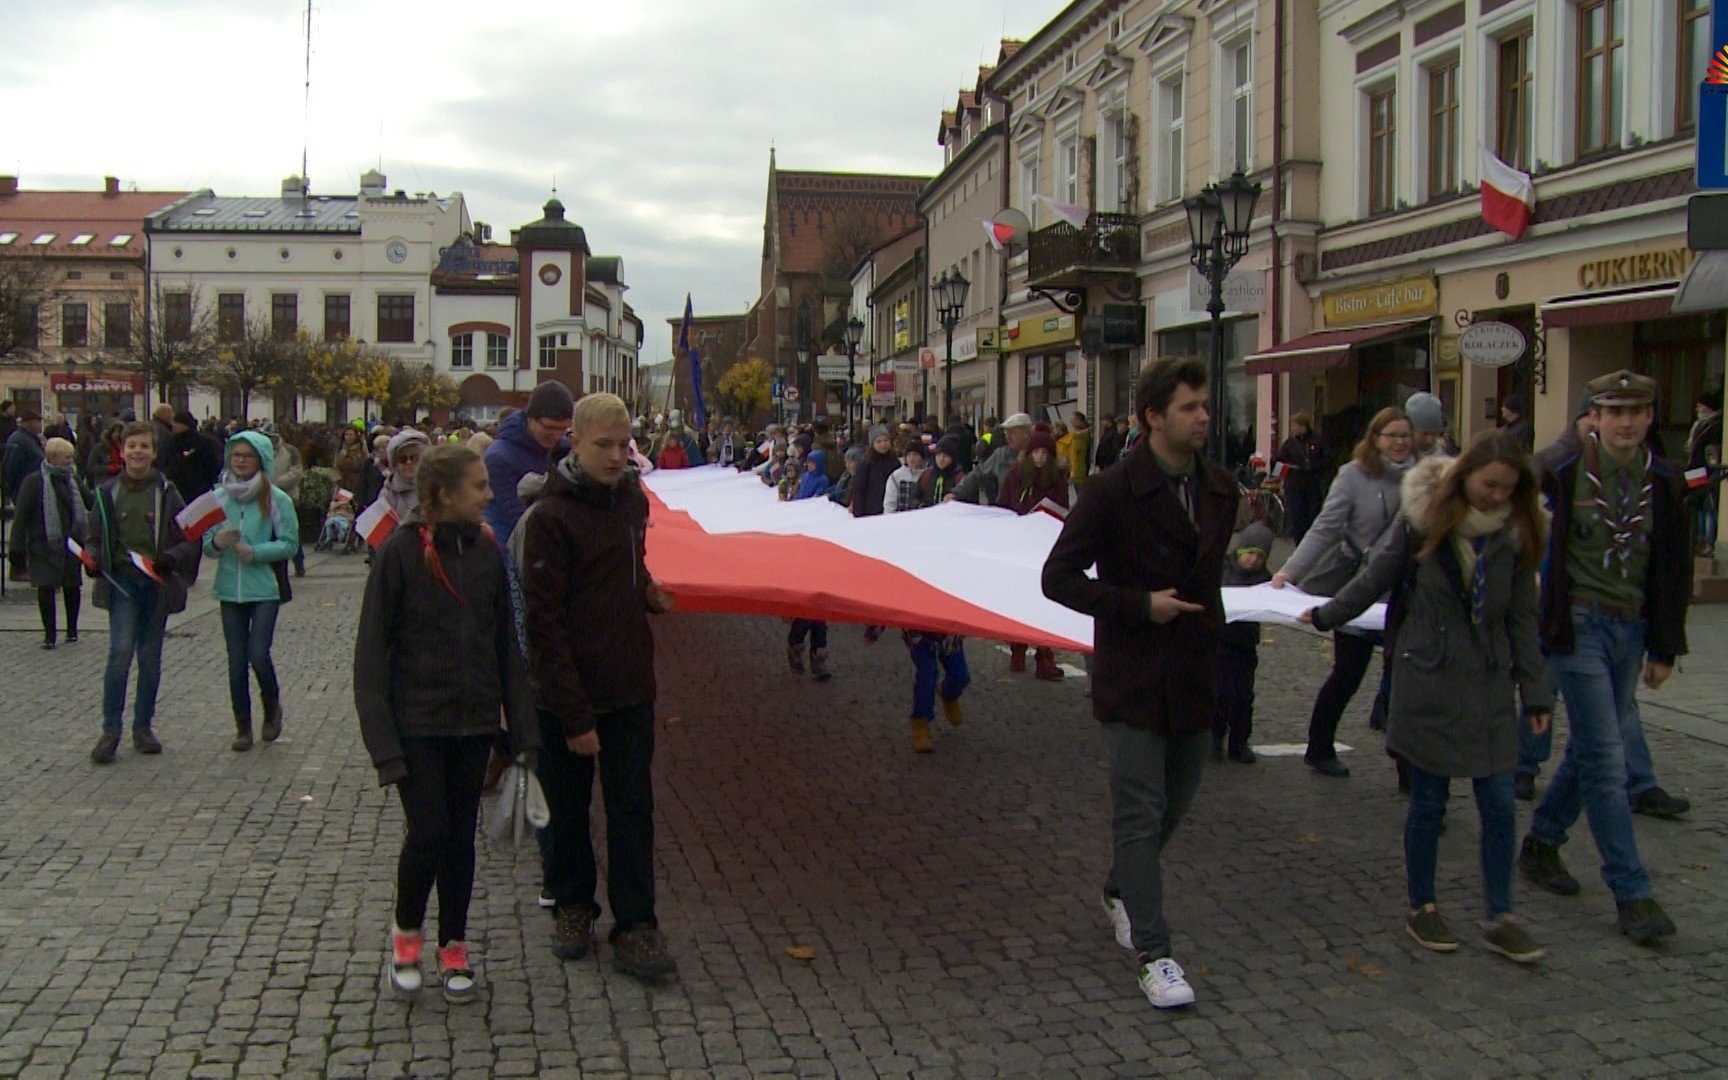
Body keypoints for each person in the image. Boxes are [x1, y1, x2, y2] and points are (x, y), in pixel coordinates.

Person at [1304, 432, 1552, 962]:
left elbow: (1522, 619)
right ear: (1465, 477)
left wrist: (1536, 694)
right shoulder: (1421, 520)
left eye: (1507, 489)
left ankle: (1500, 913)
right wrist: (1326, 614)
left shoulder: (1515, 533)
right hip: (1428, 680)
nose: (1495, 497)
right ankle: (1423, 905)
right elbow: (1375, 577)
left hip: (1487, 685)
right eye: (1489, 485)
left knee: (1500, 804)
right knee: (1429, 801)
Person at [1042, 357, 1239, 1010]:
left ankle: (1121, 888)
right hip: (1132, 674)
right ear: (1154, 417)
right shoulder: (1111, 491)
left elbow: (1207, 578)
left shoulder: (1220, 488)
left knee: (1175, 804)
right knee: (1140, 809)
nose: (1203, 416)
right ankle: (1157, 956)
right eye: (1189, 407)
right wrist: (1136, 604)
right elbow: (1059, 578)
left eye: (1205, 404)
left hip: (1193, 672)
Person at [356, 442, 537, 1003]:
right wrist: (384, 746)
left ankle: (453, 944)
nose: (488, 495)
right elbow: (371, 658)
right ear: (443, 494)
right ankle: (407, 938)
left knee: (460, 839)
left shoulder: (488, 553)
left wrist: (523, 736)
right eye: (479, 486)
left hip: (473, 723)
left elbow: (509, 649)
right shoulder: (400, 554)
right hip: (417, 725)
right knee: (429, 830)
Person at [1519, 370, 1693, 949]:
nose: (1624, 423)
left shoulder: (1663, 480)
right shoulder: (1562, 473)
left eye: (1636, 412)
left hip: (1632, 628)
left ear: (1648, 419)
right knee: (1607, 760)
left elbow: (1673, 566)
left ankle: (1542, 841)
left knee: (1596, 746)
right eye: (1613, 412)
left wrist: (1665, 646)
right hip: (1579, 627)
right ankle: (1632, 891)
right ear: (1593, 416)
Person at [521, 392, 679, 980]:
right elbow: (545, 622)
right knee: (567, 811)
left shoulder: (631, 502)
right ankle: (572, 907)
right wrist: (575, 715)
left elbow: (623, 575)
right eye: (603, 445)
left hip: (630, 685)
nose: (616, 457)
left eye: (623, 444)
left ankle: (636, 924)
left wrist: (647, 595)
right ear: (576, 442)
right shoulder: (551, 517)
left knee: (632, 810)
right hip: (567, 696)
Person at [1272, 407, 1416, 777]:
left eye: (1405, 435)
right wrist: (1290, 570)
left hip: (1406, 592)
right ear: (1375, 439)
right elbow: (1326, 527)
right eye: (1391, 436)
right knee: (1348, 674)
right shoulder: (1352, 476)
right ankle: (1319, 746)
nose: (1399, 443)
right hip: (1358, 587)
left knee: (1405, 678)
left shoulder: (1425, 475)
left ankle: (1410, 768)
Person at [84, 421, 202, 764]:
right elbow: (93, 534)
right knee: (120, 653)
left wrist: (171, 558)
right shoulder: (107, 492)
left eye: (144, 446)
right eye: (131, 445)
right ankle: (110, 730)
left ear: (154, 452)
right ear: (122, 450)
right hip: (121, 582)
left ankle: (142, 727)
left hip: (156, 582)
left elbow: (187, 536)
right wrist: (93, 559)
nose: (137, 452)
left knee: (150, 657)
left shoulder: (167, 491)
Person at [205, 431, 300, 752]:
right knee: (235, 661)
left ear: (260, 460)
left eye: (247, 455)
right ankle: (242, 726)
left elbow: (290, 543)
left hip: (264, 589)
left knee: (258, 653)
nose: (241, 460)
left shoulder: (277, 499)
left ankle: (272, 708)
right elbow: (206, 543)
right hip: (229, 589)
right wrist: (217, 543)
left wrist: (256, 552)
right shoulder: (218, 498)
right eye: (236, 455)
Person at [1002, 426, 1072, 681]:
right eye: (1036, 452)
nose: (1040, 457)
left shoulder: (1057, 479)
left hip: (1044, 546)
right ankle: (1017, 648)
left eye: (1044, 452)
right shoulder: (1015, 476)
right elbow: (1003, 505)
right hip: (1019, 544)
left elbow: (1062, 511)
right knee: (1019, 598)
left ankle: (1044, 657)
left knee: (1044, 600)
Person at [10, 437, 89, 648]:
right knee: (46, 588)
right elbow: (21, 517)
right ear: (53, 458)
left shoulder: (73, 477)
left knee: (72, 586)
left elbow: (89, 500)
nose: (71, 461)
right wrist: (16, 550)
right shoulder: (34, 481)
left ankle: (72, 630)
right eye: (67, 457)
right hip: (42, 544)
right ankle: (49, 635)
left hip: (71, 542)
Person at [483, 380, 574, 545]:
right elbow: (517, 520)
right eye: (550, 427)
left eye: (563, 429)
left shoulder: (564, 450)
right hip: (511, 547)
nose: (556, 435)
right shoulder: (499, 458)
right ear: (530, 419)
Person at [1215, 522, 1273, 764]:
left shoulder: (1265, 580)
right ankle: (1214, 739)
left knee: (1243, 697)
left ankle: (1240, 742)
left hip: (1246, 646)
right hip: (1220, 644)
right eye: (1249, 553)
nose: (1253, 560)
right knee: (1220, 694)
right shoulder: (1221, 570)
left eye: (1260, 556)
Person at [786, 449, 835, 682]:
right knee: (806, 614)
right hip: (803, 544)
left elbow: (818, 502)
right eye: (809, 463)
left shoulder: (823, 481)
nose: (811, 466)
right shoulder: (804, 478)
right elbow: (799, 500)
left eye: (814, 463)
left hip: (818, 549)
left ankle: (819, 661)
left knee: (820, 619)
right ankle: (795, 649)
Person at [949, 413, 1034, 506]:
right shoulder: (1001, 455)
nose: (1008, 436)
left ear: (1026, 433)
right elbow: (978, 473)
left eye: (1012, 432)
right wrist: (956, 493)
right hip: (1007, 512)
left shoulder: (1039, 455)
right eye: (1006, 432)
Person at [1274, 413, 1325, 542]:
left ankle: (1312, 543)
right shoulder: (1289, 444)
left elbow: (1326, 460)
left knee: (1312, 515)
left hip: (1312, 484)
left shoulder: (1317, 440)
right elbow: (1278, 461)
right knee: (1297, 518)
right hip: (1294, 485)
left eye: (1294, 426)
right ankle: (1299, 544)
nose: (1292, 429)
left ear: (1303, 426)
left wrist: (1314, 467)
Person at [266, 429, 306, 577]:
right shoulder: (262, 451)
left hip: (287, 496)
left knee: (292, 530)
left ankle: (298, 561)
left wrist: (277, 483)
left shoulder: (290, 451)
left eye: (273, 436)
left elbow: (296, 471)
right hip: (265, 497)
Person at [1686, 389, 1721, 556]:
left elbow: (1712, 452)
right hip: (1695, 470)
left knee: (1708, 507)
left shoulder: (1716, 425)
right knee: (1697, 506)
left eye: (1700, 406)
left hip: (1707, 472)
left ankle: (1708, 542)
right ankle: (1698, 541)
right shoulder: (1699, 425)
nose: (1697, 409)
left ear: (1708, 407)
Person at [163, 410, 221, 507]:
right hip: (178, 490)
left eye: (175, 422)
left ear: (183, 424)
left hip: (198, 491)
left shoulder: (202, 442)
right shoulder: (171, 441)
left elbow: (213, 465)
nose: (172, 425)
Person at [851, 426, 900, 519]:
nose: (883, 444)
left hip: (891, 508)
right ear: (872, 444)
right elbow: (859, 488)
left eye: (886, 440)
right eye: (879, 441)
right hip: (870, 510)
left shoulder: (894, 461)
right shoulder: (866, 462)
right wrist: (858, 513)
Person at [882, 441, 929, 514]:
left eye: (915, 455)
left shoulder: (927, 475)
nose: (912, 458)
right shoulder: (896, 475)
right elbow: (889, 502)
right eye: (909, 455)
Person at [921, 436, 967, 505]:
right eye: (939, 455)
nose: (941, 459)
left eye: (945, 456)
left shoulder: (959, 477)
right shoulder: (927, 474)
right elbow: (917, 494)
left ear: (952, 458)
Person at [1057, 412, 1091, 494]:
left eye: (1073, 420)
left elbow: (1074, 454)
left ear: (1079, 421)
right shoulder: (1076, 436)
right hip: (1076, 469)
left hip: (1077, 470)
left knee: (1080, 494)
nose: (1071, 422)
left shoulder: (1076, 438)